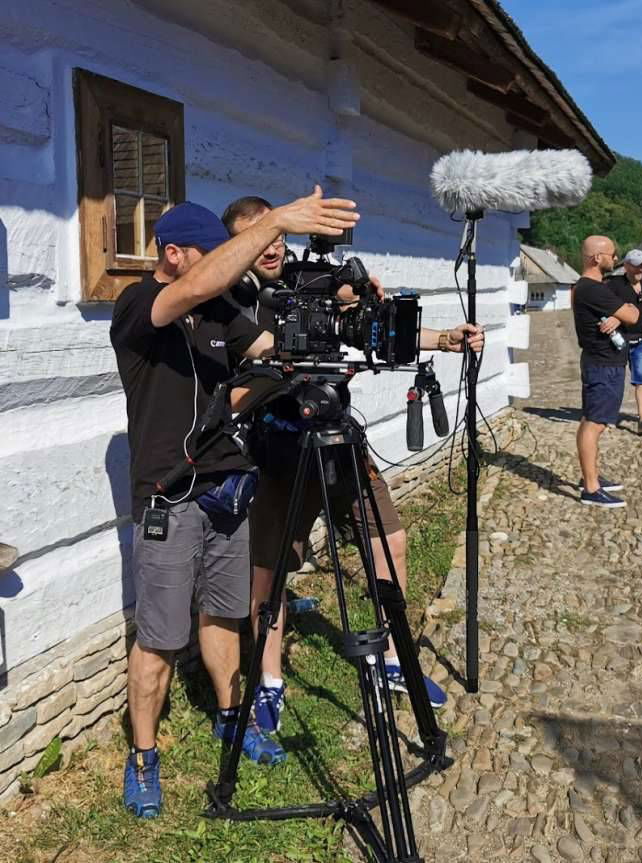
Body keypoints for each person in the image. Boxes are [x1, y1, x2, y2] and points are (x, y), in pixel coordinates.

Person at [110, 190, 360, 819]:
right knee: (161, 637)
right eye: (211, 252)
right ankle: (143, 756)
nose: (223, 265)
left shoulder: (222, 312)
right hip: (171, 496)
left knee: (222, 615)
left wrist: (344, 320)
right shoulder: (142, 304)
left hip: (229, 488)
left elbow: (276, 345)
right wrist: (273, 221)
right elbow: (191, 292)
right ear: (173, 254)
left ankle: (230, 716)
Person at [221, 195, 485, 732]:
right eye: (258, 238)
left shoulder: (313, 277)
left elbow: (364, 330)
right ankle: (269, 678)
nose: (271, 249)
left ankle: (390, 660)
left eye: (276, 236)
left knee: (390, 541)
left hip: (341, 439)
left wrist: (444, 339)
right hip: (278, 446)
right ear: (238, 244)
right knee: (267, 569)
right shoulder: (229, 299)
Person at [572, 236, 639, 508]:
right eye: (612, 254)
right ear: (596, 258)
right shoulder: (592, 289)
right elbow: (634, 316)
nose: (615, 259)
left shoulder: (593, 288)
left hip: (600, 362)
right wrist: (624, 313)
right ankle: (590, 488)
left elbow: (635, 307)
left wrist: (621, 313)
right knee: (595, 423)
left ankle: (591, 476)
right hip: (603, 365)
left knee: (592, 419)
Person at [605, 249, 642, 435]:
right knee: (614, 378)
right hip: (619, 339)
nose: (640, 269)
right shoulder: (613, 285)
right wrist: (615, 319)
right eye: (636, 266)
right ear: (626, 266)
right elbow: (605, 308)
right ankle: (608, 416)